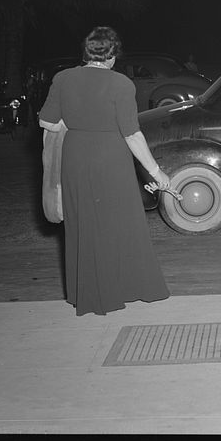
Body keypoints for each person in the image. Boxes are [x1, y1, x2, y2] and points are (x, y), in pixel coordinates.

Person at [38, 25, 172, 316]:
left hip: (75, 157)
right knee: (118, 224)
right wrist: (156, 173)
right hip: (111, 159)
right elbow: (132, 135)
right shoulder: (122, 84)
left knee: (83, 224)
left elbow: (47, 122)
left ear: (86, 53)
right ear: (113, 56)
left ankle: (88, 294)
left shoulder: (63, 78)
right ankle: (124, 287)